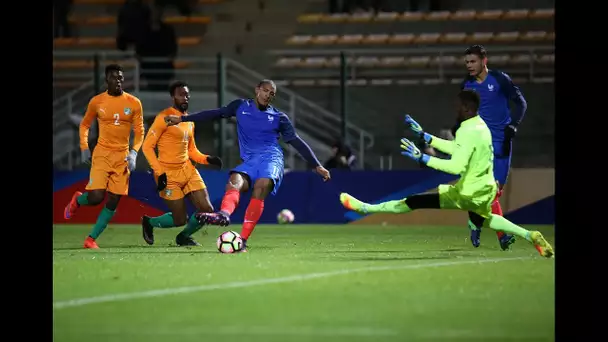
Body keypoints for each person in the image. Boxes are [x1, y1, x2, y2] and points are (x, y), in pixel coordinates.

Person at [340, 90, 552, 258]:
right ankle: (530, 235)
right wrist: (425, 137)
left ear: (467, 108)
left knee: (411, 202)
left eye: (458, 107)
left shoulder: (466, 130)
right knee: (489, 219)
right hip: (485, 190)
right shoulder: (480, 126)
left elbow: (456, 167)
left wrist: (422, 158)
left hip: (467, 192)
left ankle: (365, 207)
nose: (455, 110)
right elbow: (456, 148)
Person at [164, 79, 331, 252]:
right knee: (234, 181)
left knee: (262, 185)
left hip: (271, 159)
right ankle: (224, 215)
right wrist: (182, 119)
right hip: (250, 161)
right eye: (266, 91)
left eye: (272, 93)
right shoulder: (240, 107)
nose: (268, 95)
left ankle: (242, 239)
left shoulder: (279, 117)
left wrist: (316, 165)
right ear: (257, 90)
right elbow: (214, 114)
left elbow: (296, 141)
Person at [63, 64, 145, 249]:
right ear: (106, 80)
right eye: (114, 77)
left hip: (122, 156)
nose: (118, 81)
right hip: (102, 154)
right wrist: (84, 146)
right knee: (96, 197)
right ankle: (77, 200)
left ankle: (90, 239)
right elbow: (84, 125)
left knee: (115, 199)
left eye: (121, 78)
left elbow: (140, 131)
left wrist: (133, 153)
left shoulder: (133, 102)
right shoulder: (97, 101)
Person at [459, 44, 528, 250]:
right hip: (480, 146)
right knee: (488, 192)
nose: (469, 66)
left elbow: (521, 103)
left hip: (501, 143)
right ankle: (502, 235)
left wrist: (513, 125)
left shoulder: (500, 80)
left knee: (494, 193)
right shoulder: (467, 86)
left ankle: (475, 221)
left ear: (484, 61)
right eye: (467, 63)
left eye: (473, 61)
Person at [141, 81, 223, 247]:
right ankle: (149, 222)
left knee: (207, 210)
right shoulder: (164, 118)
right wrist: (159, 172)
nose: (185, 97)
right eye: (180, 94)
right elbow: (147, 147)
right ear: (173, 97)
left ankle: (183, 237)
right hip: (167, 174)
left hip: (188, 170)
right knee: (180, 219)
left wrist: (207, 159)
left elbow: (192, 151)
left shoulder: (189, 121)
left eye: (186, 94)